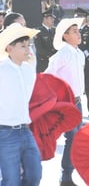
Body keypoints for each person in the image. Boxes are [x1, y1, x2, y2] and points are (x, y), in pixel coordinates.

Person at [0, 23, 42, 186]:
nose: (27, 49)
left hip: (25, 130)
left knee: (34, 175)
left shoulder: (27, 69)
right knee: (11, 180)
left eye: (28, 45)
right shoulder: (2, 69)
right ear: (9, 49)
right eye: (22, 46)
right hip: (5, 133)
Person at [45, 17, 85, 186]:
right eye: (74, 31)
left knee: (75, 139)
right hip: (66, 103)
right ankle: (66, 176)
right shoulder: (61, 54)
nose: (79, 34)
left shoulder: (79, 53)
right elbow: (48, 76)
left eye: (78, 30)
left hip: (77, 101)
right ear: (65, 36)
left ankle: (67, 176)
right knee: (72, 137)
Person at [74, 7, 89, 117]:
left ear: (85, 18)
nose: (78, 18)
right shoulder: (73, 30)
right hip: (75, 61)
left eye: (80, 16)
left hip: (87, 61)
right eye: (77, 16)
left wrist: (81, 54)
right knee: (75, 85)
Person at [34, 8, 57, 72]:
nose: (53, 20)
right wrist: (52, 55)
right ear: (45, 19)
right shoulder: (38, 31)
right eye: (51, 18)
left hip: (53, 62)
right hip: (43, 63)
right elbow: (39, 49)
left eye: (53, 18)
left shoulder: (54, 30)